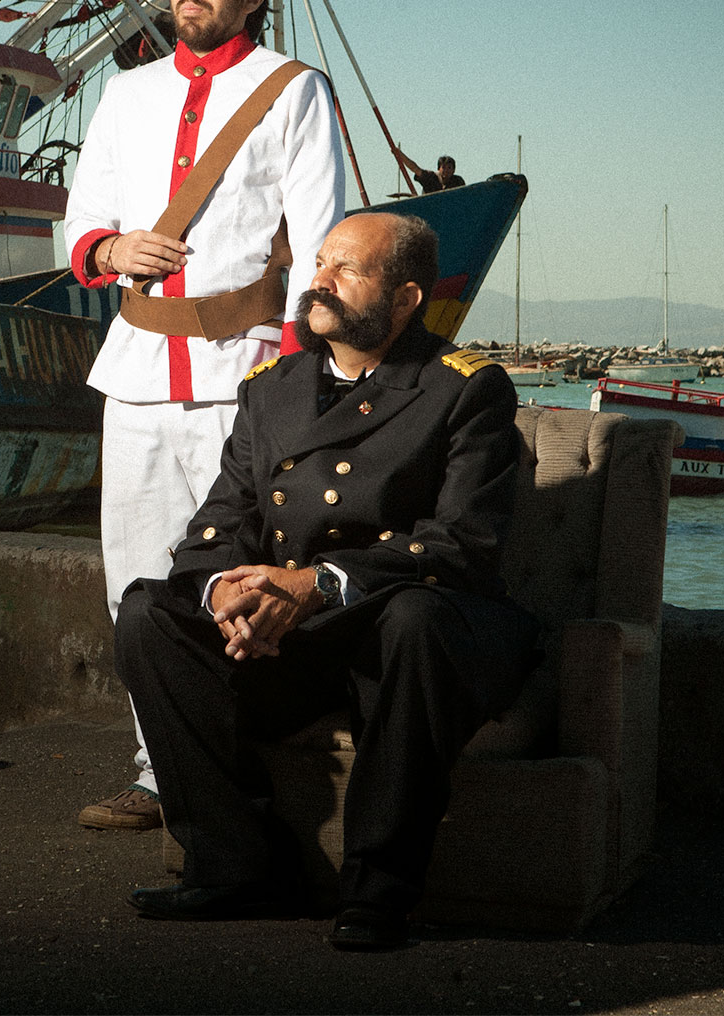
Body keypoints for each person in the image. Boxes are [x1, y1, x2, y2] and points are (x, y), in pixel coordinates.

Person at [112, 212, 541, 950]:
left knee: (415, 619)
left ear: (404, 300)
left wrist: (316, 583)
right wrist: (230, 597)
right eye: (318, 263)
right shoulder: (271, 390)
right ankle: (235, 866)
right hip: (299, 641)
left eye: (346, 269)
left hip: (418, 634)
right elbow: (217, 528)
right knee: (149, 614)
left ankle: (380, 889)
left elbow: (463, 545)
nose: (317, 281)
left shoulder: (463, 389)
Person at [63, 0, 345, 831]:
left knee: (242, 573)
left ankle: (240, 765)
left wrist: (305, 379)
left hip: (247, 375)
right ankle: (158, 771)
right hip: (138, 368)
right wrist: (109, 253)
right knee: (134, 575)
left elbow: (320, 244)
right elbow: (82, 217)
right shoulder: (125, 94)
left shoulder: (293, 89)